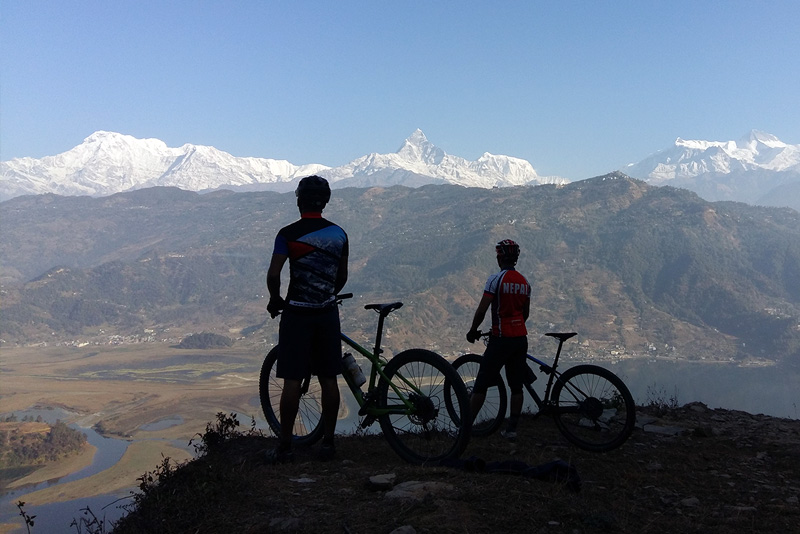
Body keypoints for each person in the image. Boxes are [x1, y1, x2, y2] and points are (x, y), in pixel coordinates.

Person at [266, 175, 349, 462]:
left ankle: (285, 446)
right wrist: (325, 294)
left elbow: (274, 274)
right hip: (326, 313)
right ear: (325, 202)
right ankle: (328, 443)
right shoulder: (339, 234)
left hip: (297, 314)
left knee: (292, 379)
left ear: (299, 201)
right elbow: (342, 277)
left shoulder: (287, 234)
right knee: (328, 378)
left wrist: (275, 300)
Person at [466, 239, 531, 440]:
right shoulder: (524, 282)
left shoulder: (496, 280)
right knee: (516, 385)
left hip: (501, 338)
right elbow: (525, 314)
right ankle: (512, 429)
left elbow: (482, 310)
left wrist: (473, 330)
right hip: (520, 338)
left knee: (481, 384)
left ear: (499, 258)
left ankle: (464, 430)